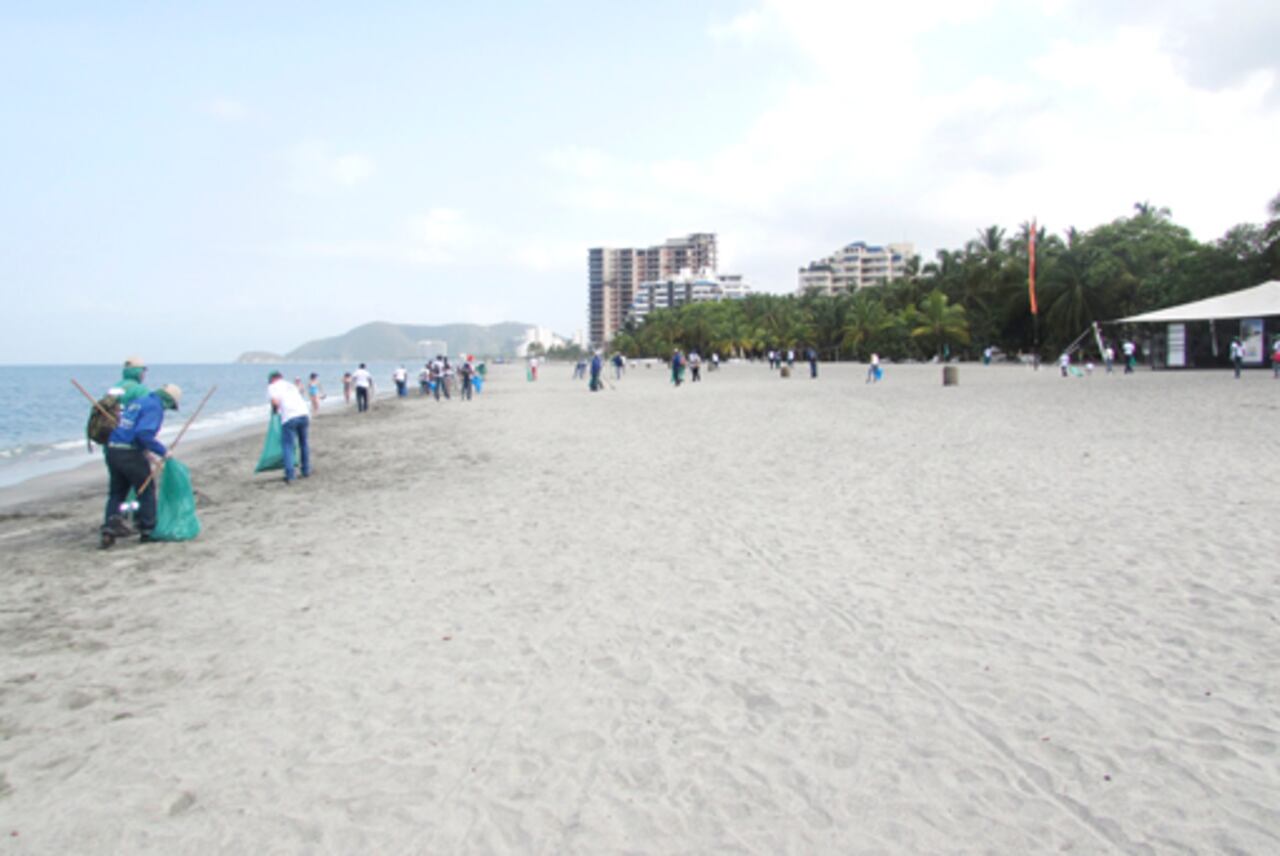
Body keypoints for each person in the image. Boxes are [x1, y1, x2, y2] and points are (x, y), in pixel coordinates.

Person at [100, 384, 181, 547]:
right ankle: (147, 529)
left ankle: (109, 528)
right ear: (168, 401)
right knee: (146, 489)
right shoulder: (154, 407)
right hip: (129, 453)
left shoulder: (139, 401)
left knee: (117, 491)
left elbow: (129, 429)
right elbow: (143, 433)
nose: (167, 410)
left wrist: (146, 452)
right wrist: (163, 451)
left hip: (113, 449)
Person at [268, 371, 312, 484]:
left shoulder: (272, 387)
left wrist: (274, 414)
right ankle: (306, 470)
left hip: (290, 417)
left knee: (287, 446)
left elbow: (275, 403)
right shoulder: (290, 385)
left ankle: (290, 474)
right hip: (304, 414)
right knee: (304, 443)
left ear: (272, 379)